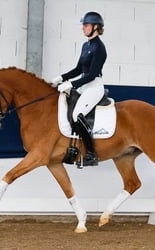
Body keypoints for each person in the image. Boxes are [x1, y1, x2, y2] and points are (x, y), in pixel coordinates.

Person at [51, 11, 107, 166]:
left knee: (77, 114)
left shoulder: (99, 48)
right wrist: (62, 78)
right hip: (83, 86)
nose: (83, 28)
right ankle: (73, 147)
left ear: (96, 27)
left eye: (86, 25)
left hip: (94, 86)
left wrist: (72, 84)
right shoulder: (85, 45)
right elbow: (78, 69)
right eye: (83, 25)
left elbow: (92, 74)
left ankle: (91, 154)